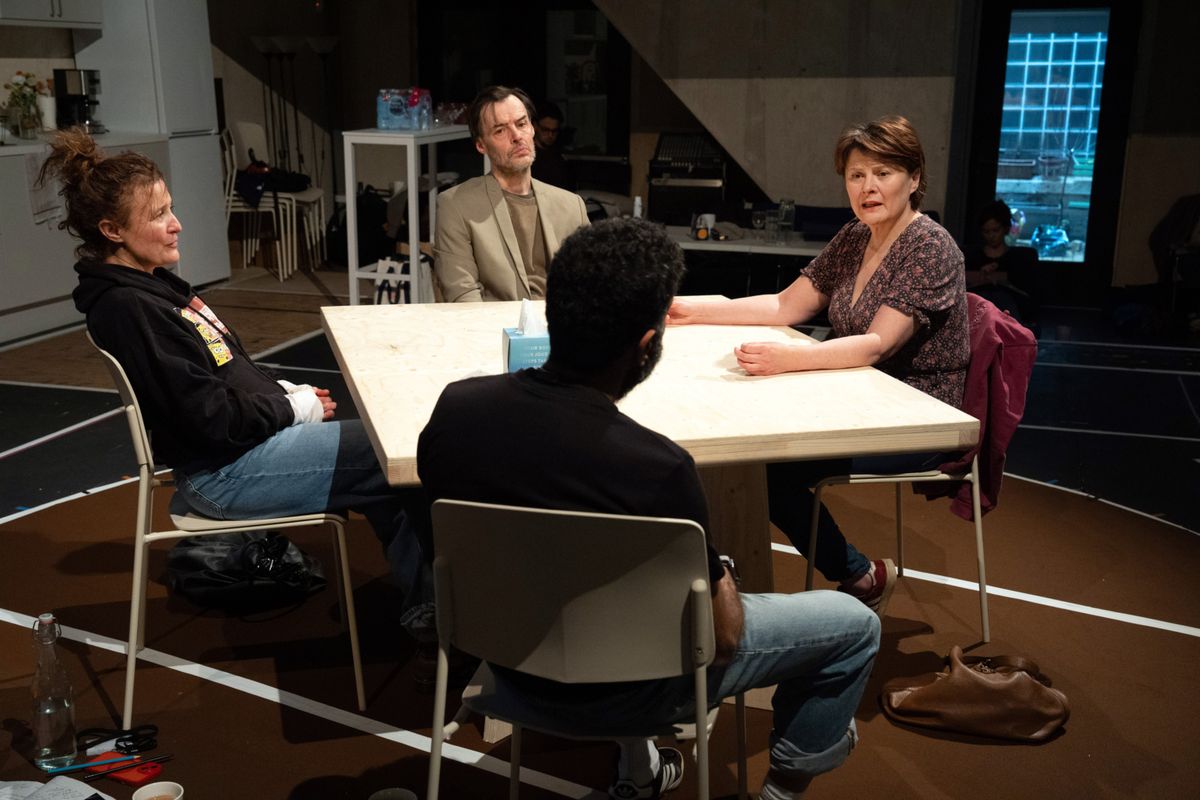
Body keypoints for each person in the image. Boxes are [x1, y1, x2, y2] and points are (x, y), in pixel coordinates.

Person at [418, 218, 880, 800]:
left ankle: (639, 772)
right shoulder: (657, 468)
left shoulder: (455, 412)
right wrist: (725, 569)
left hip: (505, 662)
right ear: (647, 345)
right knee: (856, 626)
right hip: (635, 689)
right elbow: (727, 637)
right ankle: (781, 791)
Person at [42, 128, 419, 570]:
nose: (176, 224)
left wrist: (278, 394)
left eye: (171, 208)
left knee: (395, 457)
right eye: (158, 214)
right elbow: (208, 417)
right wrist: (290, 409)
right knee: (401, 456)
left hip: (243, 449)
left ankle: (429, 603)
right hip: (224, 473)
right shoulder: (129, 307)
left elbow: (219, 370)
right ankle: (438, 611)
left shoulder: (150, 286)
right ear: (112, 230)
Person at [667, 115, 969, 618]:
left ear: (914, 179)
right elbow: (788, 305)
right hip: (854, 392)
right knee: (750, 451)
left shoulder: (930, 247)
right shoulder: (857, 235)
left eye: (884, 173)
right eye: (856, 175)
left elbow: (875, 344)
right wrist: (693, 309)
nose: (868, 187)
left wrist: (792, 359)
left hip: (913, 412)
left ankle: (859, 575)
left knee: (763, 471)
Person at [433, 85, 588, 302]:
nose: (516, 136)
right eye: (500, 130)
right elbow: (463, 296)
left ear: (532, 129)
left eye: (521, 124)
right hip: (494, 332)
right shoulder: (456, 205)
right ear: (481, 145)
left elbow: (590, 288)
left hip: (561, 330)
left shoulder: (572, 206)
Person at [964, 199, 1040, 326]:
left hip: (1008, 316)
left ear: (1006, 229)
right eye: (986, 232)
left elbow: (1027, 293)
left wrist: (1000, 279)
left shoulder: (1018, 259)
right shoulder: (972, 256)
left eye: (995, 230)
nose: (991, 236)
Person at [529, 99, 575, 190]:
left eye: (554, 131)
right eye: (545, 130)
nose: (550, 135)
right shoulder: (527, 155)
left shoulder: (557, 156)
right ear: (535, 126)